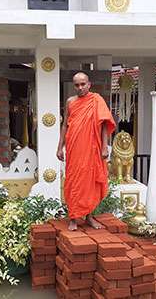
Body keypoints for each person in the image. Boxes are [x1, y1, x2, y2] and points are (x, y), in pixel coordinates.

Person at [56, 72, 116, 231]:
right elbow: (65, 126)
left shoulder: (96, 100)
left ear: (89, 84)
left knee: (90, 182)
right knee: (74, 181)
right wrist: (59, 147)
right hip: (74, 147)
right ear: (73, 86)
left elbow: (104, 125)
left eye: (83, 84)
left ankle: (89, 217)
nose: (80, 87)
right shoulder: (70, 102)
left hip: (92, 148)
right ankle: (74, 218)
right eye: (77, 85)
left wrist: (104, 147)